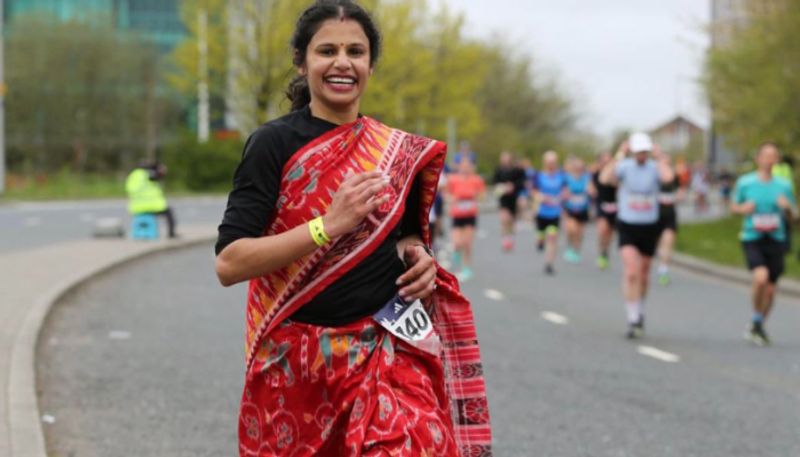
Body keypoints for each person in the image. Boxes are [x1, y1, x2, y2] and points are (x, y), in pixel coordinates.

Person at [214, 2, 492, 455]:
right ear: (302, 62)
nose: (342, 62)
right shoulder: (273, 144)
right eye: (327, 50)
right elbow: (229, 263)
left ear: (370, 65)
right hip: (297, 361)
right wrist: (328, 225)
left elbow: (404, 235)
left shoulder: (394, 151)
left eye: (355, 52)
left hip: (384, 349)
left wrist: (417, 255)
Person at [600, 133, 674, 339]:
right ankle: (632, 317)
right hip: (627, 224)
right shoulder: (624, 166)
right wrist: (618, 155)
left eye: (645, 152)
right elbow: (604, 178)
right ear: (632, 151)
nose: (641, 155)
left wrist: (660, 157)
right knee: (631, 271)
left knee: (643, 273)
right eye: (638, 151)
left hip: (649, 225)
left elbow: (668, 178)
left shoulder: (654, 167)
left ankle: (639, 309)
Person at [732, 142, 796, 346]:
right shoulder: (746, 183)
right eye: (765, 156)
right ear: (758, 159)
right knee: (760, 278)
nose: (769, 160)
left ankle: (757, 323)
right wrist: (743, 209)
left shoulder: (784, 185)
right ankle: (757, 321)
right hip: (753, 237)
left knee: (770, 289)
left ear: (777, 160)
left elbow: (795, 216)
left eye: (773, 156)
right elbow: (733, 206)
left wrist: (787, 208)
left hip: (776, 238)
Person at [446, 158, 486, 281]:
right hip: (457, 215)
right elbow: (447, 195)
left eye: (468, 166)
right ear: (459, 167)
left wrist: (474, 196)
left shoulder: (476, 180)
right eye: (463, 167)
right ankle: (457, 253)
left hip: (470, 214)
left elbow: (482, 196)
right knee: (457, 243)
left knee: (467, 243)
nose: (465, 169)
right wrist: (453, 199)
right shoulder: (453, 179)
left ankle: (466, 268)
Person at [125, 161, 177, 238]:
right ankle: (171, 234)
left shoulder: (133, 175)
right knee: (169, 212)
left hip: (135, 207)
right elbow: (156, 177)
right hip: (151, 206)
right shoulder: (148, 174)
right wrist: (161, 172)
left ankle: (141, 232)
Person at [533, 151, 566, 275]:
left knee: (552, 238)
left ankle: (549, 263)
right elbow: (534, 191)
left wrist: (562, 196)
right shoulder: (539, 176)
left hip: (555, 212)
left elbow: (565, 190)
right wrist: (540, 197)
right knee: (541, 235)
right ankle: (540, 240)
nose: (551, 165)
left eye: (553, 162)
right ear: (545, 163)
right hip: (542, 212)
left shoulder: (561, 176)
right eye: (549, 162)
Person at [492, 151, 526, 251]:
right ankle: (504, 240)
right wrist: (502, 187)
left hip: (513, 198)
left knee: (511, 220)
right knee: (504, 218)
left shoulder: (516, 170)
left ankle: (510, 238)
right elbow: (495, 182)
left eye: (507, 159)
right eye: (504, 159)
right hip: (503, 198)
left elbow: (522, 182)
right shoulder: (498, 170)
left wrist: (513, 186)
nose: (505, 161)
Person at [655, 154, 681, 286]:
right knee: (659, 243)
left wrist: (678, 196)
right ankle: (658, 263)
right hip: (654, 215)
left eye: (667, 160)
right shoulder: (653, 174)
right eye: (662, 159)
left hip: (669, 214)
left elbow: (679, 189)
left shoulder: (674, 175)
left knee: (669, 241)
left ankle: (663, 269)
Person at [562, 156, 592, 263]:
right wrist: (565, 194)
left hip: (583, 208)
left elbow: (591, 191)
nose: (578, 168)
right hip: (570, 208)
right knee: (572, 229)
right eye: (576, 166)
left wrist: (590, 191)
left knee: (580, 232)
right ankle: (570, 247)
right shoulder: (567, 178)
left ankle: (576, 250)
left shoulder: (587, 177)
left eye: (580, 166)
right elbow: (563, 191)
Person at [592, 152, 617, 269]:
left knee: (610, 232)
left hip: (614, 206)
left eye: (609, 161)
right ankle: (601, 251)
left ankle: (605, 251)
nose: (606, 164)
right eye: (604, 161)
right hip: (602, 205)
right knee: (603, 229)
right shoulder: (596, 174)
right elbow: (593, 187)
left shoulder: (616, 174)